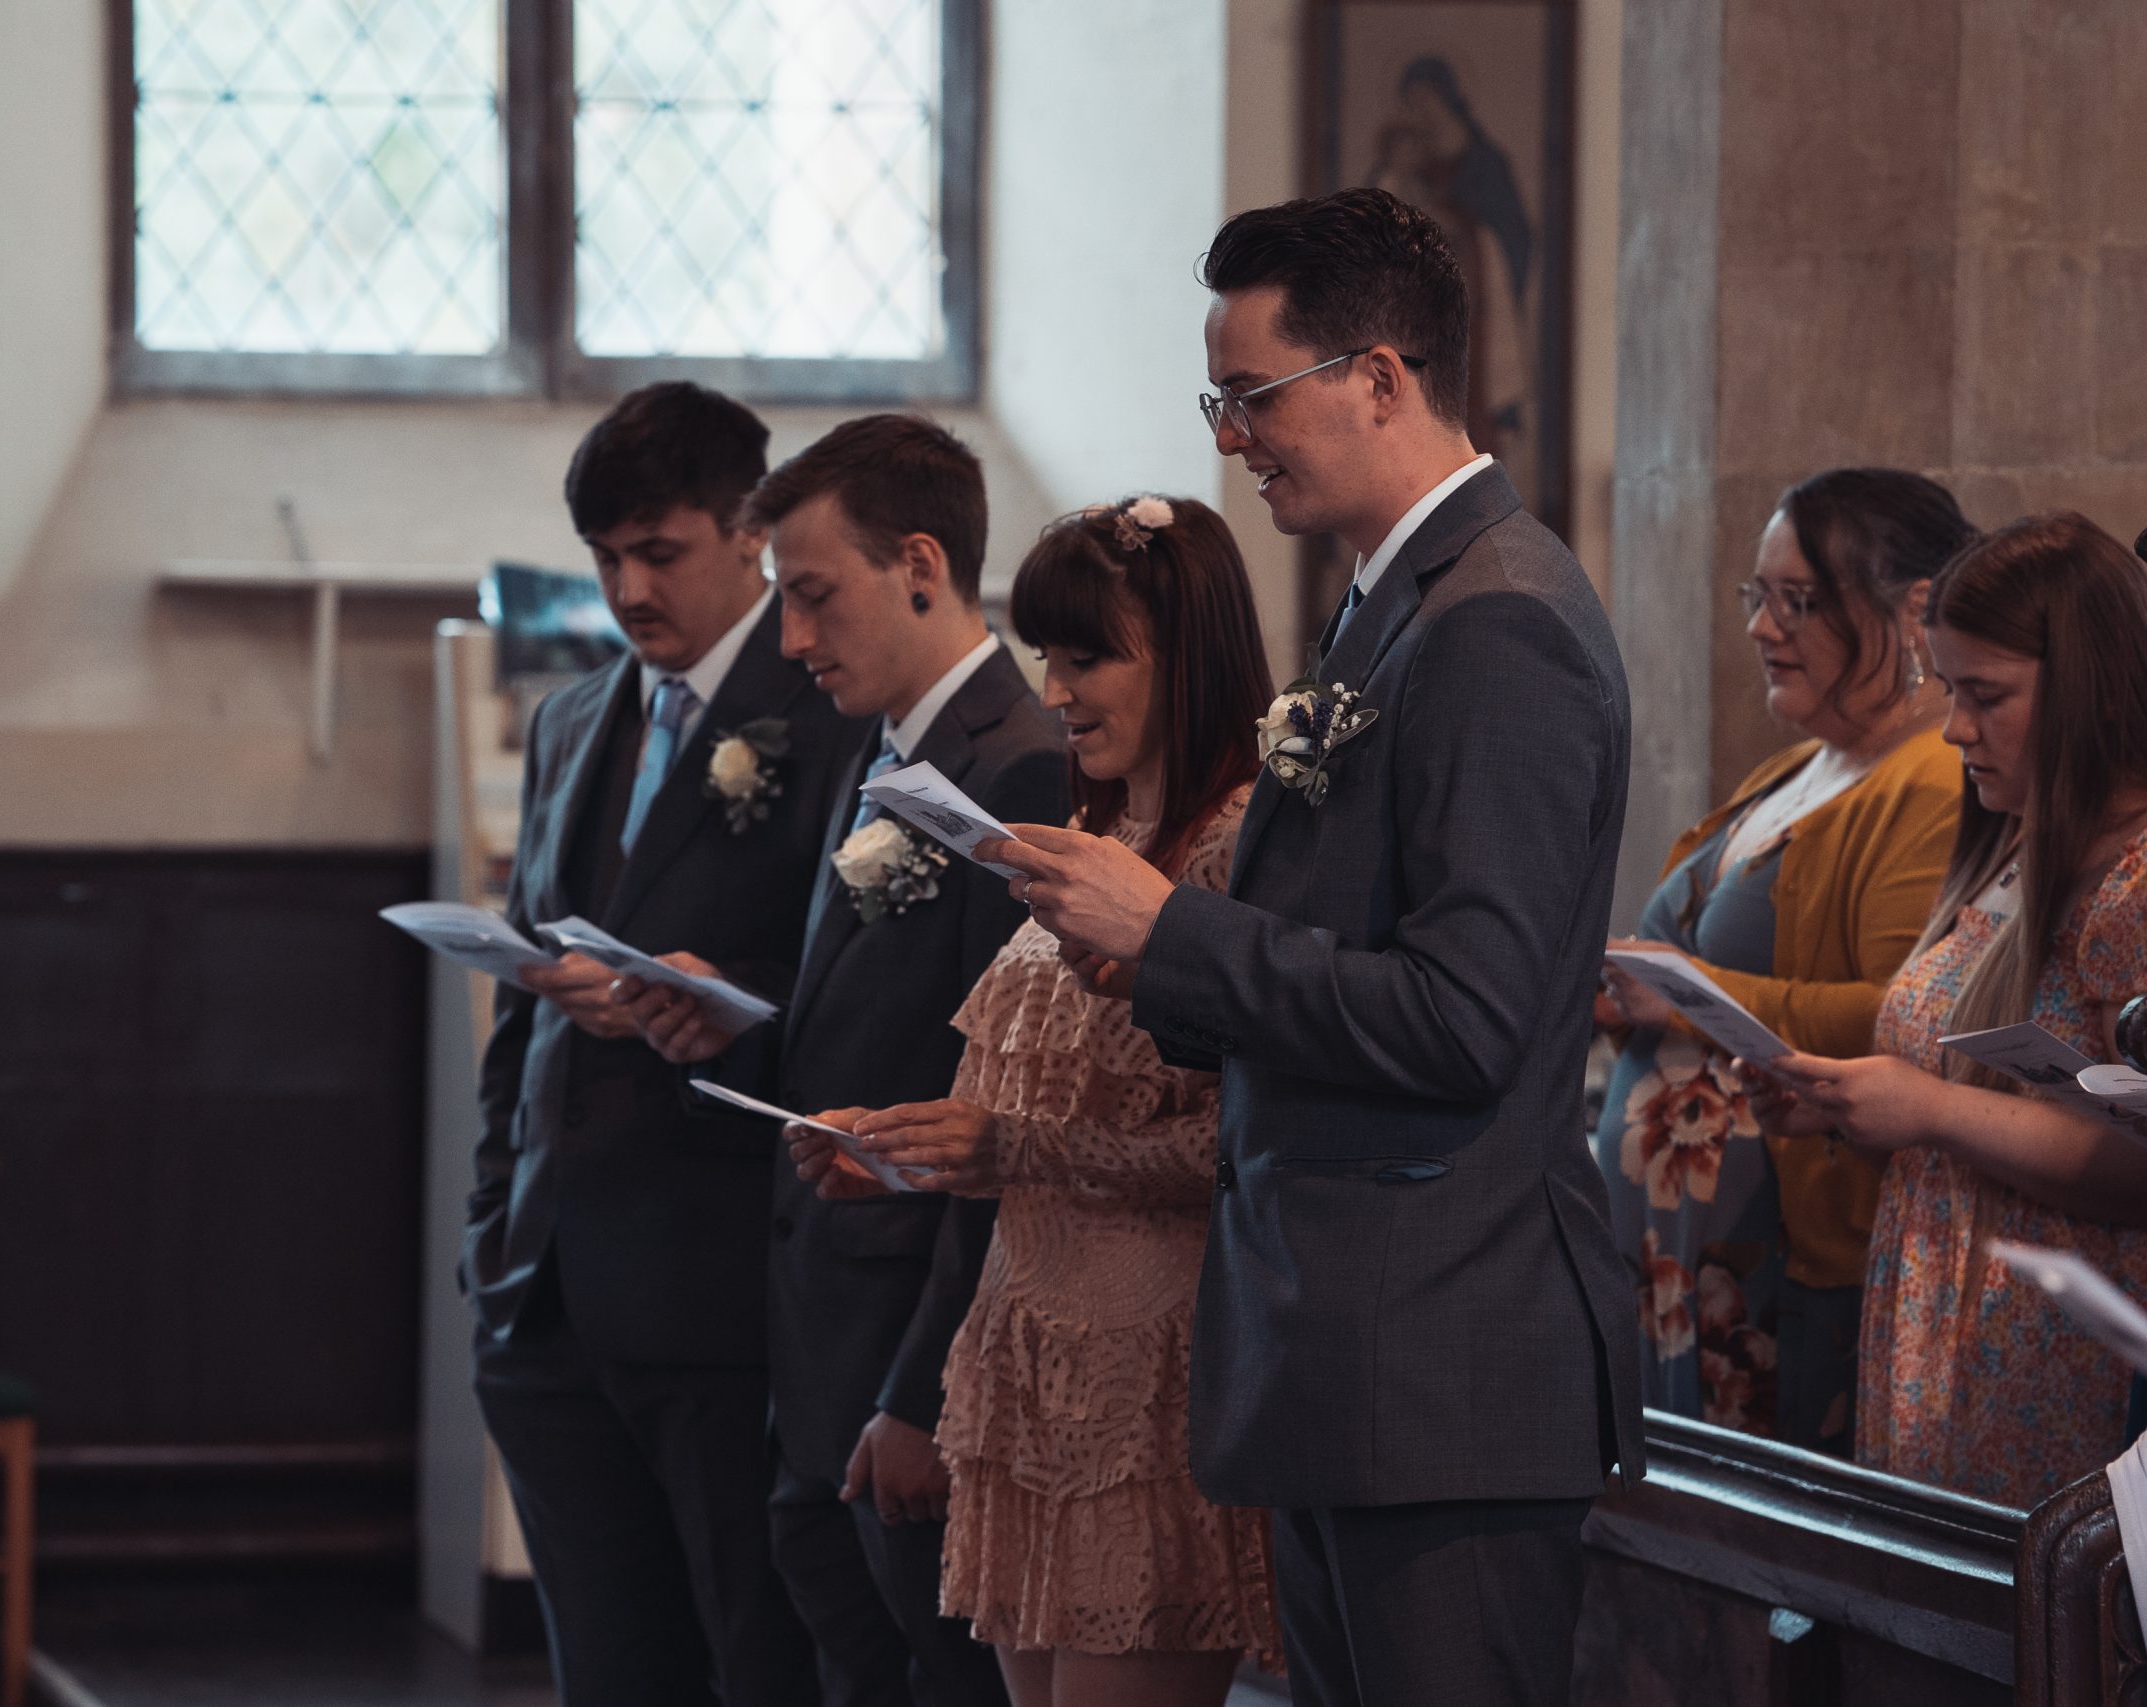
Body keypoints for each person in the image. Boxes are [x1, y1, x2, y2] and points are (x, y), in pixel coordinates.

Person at [983, 187, 1639, 1704]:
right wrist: (1151, 960)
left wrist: (1178, 929)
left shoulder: (1499, 622)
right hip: (1355, 1352)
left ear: (1380, 379)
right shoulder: (1391, 607)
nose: (1231, 437)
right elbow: (1342, 939)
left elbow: (1467, 1016)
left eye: (1254, 395)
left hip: (1444, 1358)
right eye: (1218, 400)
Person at [790, 496, 1281, 1707]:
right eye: (1046, 656)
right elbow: (1027, 1108)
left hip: (1147, 1373)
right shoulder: (1084, 834)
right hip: (1022, 1353)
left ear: (1188, 654)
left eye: (1088, 658)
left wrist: (1015, 1148)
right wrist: (909, 1152)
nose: (1054, 691)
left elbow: (1250, 1140)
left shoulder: (1239, 850)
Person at [624, 414, 1065, 1707]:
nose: (792, 638)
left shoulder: (1019, 768)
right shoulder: (881, 747)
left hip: (911, 1354)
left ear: (919, 565)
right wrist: (749, 1017)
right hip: (822, 1338)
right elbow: (878, 1016)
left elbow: (1004, 1107)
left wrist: (924, 1390)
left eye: (813, 595)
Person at [464, 382, 864, 1707]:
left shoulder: (833, 713)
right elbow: (524, 1003)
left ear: (750, 532)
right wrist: (490, 1228)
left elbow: (870, 990)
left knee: (752, 1662)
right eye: (604, 558)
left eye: (658, 552)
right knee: (607, 1671)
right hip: (544, 1292)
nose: (628, 590)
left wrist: (718, 997)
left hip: (719, 1287)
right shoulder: (575, 718)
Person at [1750, 512, 2147, 1509]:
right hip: (1938, 1332)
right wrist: (1850, 1105)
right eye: (1948, 688)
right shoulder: (2012, 835)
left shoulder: (2134, 881)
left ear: (2089, 689)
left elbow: (2139, 1162)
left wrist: (1929, 1110)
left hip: (2054, 1366)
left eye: (1986, 696)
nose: (1955, 728)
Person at [1593, 469, 1970, 1454]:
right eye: (1756, 596)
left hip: (1777, 1248)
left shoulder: (1931, 777)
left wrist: (1685, 1001)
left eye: (1797, 600)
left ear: (1914, 610)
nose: (1763, 627)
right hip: (1686, 1253)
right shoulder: (1802, 763)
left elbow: (1900, 1016)